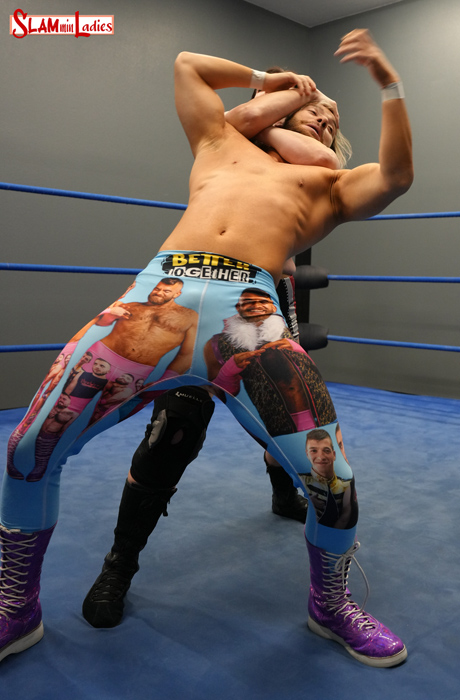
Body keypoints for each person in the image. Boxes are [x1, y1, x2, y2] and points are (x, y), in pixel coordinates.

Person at [1, 29, 413, 668]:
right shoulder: (220, 142)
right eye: (317, 107)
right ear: (280, 111)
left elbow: (396, 176)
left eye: (334, 118)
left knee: (333, 480)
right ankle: (17, 606)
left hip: (250, 313)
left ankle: (330, 605)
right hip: (156, 295)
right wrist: (273, 82)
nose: (326, 116)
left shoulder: (328, 184)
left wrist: (389, 83)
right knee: (31, 447)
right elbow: (188, 65)